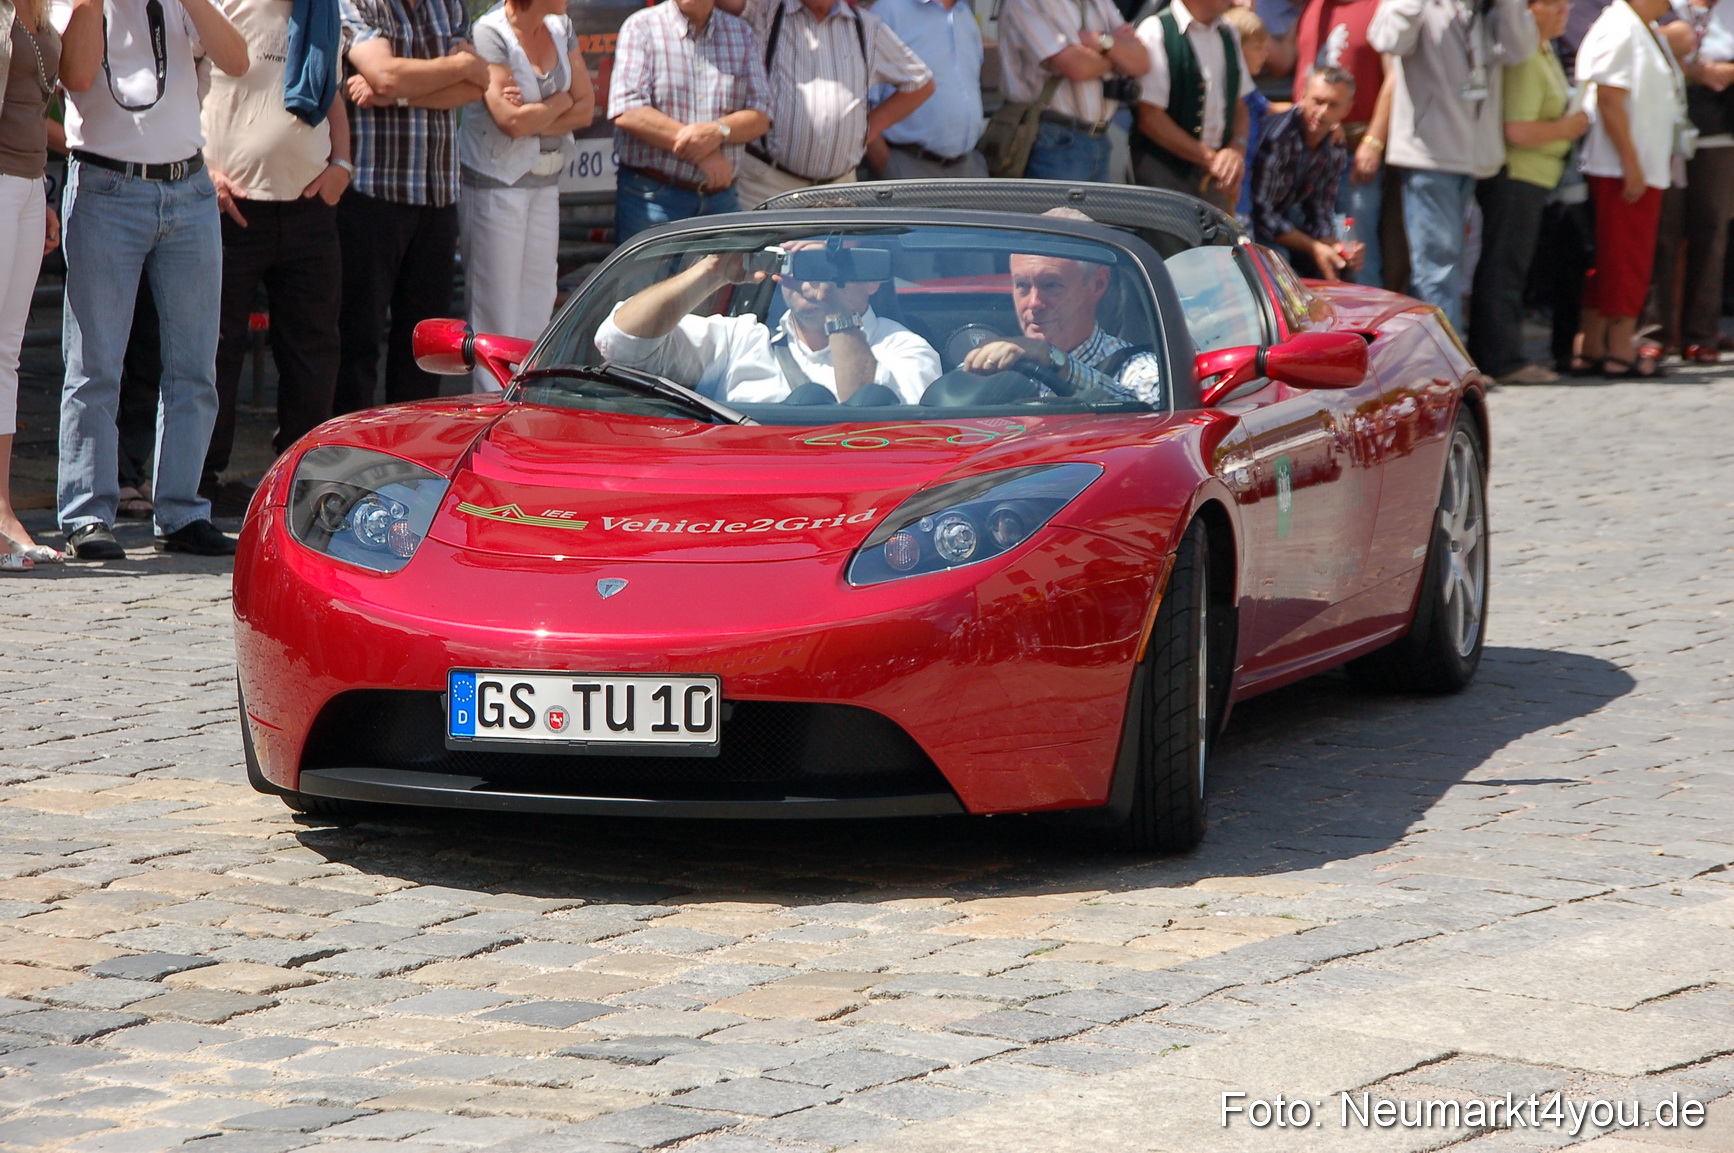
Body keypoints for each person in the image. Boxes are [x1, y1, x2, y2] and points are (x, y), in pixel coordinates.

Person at [54, 0, 250, 560]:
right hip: (106, 187)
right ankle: (87, 514)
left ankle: (182, 510)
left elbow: (237, 60)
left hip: (188, 190)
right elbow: (79, 76)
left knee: (195, 365)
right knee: (95, 363)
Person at [203, 0, 351, 507]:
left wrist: (344, 165)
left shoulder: (322, 8)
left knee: (314, 350)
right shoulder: (223, 5)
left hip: (310, 204)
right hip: (232, 206)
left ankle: (301, 478)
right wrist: (202, 170)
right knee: (216, 348)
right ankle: (202, 481)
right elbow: (186, 82)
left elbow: (330, 91)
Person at [334, 0, 486, 415]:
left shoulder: (448, 5)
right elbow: (383, 75)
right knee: (357, 341)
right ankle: (349, 456)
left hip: (437, 199)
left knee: (423, 346)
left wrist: (395, 95)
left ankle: (412, 456)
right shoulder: (357, 3)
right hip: (371, 196)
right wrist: (456, 68)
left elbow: (479, 84)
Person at [1369, 0, 1538, 334]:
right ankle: (1448, 359)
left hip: (1476, 155)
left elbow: (1520, 51)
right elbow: (1386, 39)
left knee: (1456, 261)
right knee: (1438, 261)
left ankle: (1445, 352)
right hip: (1429, 153)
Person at [594, 245, 942, 404]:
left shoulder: (905, 348)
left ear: (871, 280)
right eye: (798, 261)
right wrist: (712, 272)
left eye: (829, 261)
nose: (810, 274)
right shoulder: (741, 338)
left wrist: (838, 314)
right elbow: (620, 343)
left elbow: (872, 417)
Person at [459, 0, 594, 381]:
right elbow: (510, 122)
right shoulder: (490, 31)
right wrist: (561, 100)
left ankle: (527, 406)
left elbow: (586, 109)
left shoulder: (561, 26)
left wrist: (540, 109)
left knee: (538, 305)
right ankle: (490, 410)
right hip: (495, 185)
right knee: (494, 313)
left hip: (545, 184)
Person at [1466, 0, 1587, 382]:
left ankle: (1503, 354)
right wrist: (1567, 129)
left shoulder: (1545, 48)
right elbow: (1516, 128)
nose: (1563, 10)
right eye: (1551, 4)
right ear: (1528, 10)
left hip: (1538, 176)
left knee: (1514, 267)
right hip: (1517, 174)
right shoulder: (1523, 56)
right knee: (1504, 268)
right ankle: (1502, 360)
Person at [716, 0, 934, 206]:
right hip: (768, 183)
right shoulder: (766, 11)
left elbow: (920, 83)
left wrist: (866, 130)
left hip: (838, 190)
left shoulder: (866, 27)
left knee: (832, 247)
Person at [939, 209, 1165, 405]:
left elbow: (1149, 420)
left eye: (1051, 285)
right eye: (1023, 286)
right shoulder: (995, 365)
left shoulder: (1138, 369)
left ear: (1097, 284)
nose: (1034, 303)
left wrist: (1056, 361)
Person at [1573, 0, 1687, 376]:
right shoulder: (1620, 27)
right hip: (1622, 167)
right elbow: (1609, 98)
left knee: (1616, 257)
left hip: (1639, 165)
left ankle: (1593, 344)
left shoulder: (1642, 27)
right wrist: (1631, 163)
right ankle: (1619, 348)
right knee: (1625, 258)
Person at [609, 0, 768, 242]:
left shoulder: (742, 33)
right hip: (653, 197)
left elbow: (762, 115)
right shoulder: (641, 26)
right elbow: (628, 110)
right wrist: (703, 152)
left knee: (724, 280)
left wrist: (718, 131)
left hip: (721, 202)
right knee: (649, 282)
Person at [0, 0, 61, 569]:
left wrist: (41, 188)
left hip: (24, 181)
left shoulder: (38, 9)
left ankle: (1, 509)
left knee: (7, 354)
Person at [1295, 0, 1395, 285]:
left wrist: (1373, 141)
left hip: (1354, 147)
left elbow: (1394, 79)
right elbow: (1283, 59)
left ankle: (1369, 323)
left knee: (1359, 249)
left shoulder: (1378, 7)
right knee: (1316, 246)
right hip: (1305, 152)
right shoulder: (1314, 8)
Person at [999, 0, 1147, 182]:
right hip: (1051, 139)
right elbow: (1077, 68)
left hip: (1099, 138)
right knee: (1053, 212)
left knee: (1094, 212)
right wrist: (1115, 53)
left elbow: (1142, 61)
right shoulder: (1028, 3)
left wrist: (1100, 41)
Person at [1131, 0, 1256, 212]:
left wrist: (1236, 150)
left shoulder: (1228, 32)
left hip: (1214, 178)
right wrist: (1211, 159)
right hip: (1165, 174)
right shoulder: (1156, 30)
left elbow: (1239, 105)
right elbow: (1150, 116)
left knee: (1220, 244)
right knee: (1169, 246)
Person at [1250, 66, 1364, 278]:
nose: (1322, 112)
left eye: (1333, 105)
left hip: (1287, 225)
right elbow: (1260, 213)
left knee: (1341, 264)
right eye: (1318, 101)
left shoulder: (1335, 146)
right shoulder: (1279, 136)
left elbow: (1320, 207)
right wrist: (1315, 247)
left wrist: (1334, 246)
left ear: (1347, 109)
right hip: (1253, 229)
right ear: (1302, 97)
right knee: (1280, 264)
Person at [867, 0, 987, 177]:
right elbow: (862, 103)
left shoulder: (964, 13)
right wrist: (886, 166)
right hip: (909, 165)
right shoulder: (890, 11)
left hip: (967, 165)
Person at [1675, 0, 1733, 362]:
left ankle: (1701, 331)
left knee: (1711, 229)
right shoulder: (1667, 7)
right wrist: (1693, 71)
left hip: (1720, 129)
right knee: (1664, 234)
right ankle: (1656, 331)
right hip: (1666, 129)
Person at [1227, 6, 1277, 221]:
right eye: (1258, 48)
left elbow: (1270, 109)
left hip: (1245, 197)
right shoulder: (1226, 89)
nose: (1265, 55)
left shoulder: (1249, 90)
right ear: (1236, 48)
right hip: (1228, 196)